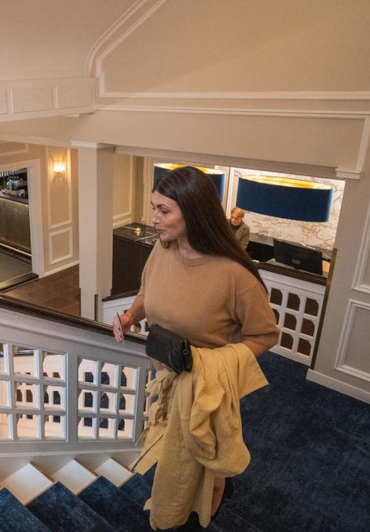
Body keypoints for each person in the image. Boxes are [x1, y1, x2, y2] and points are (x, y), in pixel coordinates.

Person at [113, 166, 279, 527]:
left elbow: (265, 336)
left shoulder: (235, 275)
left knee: (206, 461)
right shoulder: (162, 249)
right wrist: (130, 316)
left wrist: (211, 365)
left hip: (208, 388)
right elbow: (146, 291)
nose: (153, 219)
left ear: (193, 212)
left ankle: (207, 509)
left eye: (164, 210)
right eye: (154, 208)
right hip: (168, 374)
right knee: (179, 450)